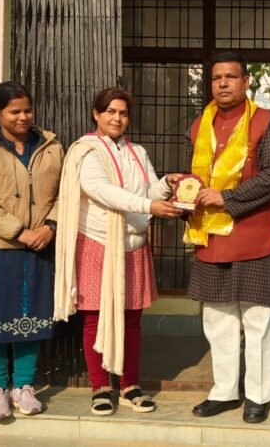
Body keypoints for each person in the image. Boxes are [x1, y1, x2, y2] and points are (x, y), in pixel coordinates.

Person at [53, 88, 183, 416]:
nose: (117, 118)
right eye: (110, 111)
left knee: (132, 319)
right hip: (98, 242)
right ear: (96, 114)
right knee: (95, 317)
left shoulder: (137, 151)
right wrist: (148, 205)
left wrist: (167, 184)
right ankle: (100, 386)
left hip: (133, 243)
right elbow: (102, 191)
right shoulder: (85, 151)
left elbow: (150, 188)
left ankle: (129, 386)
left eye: (123, 113)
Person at [184, 52, 270, 424]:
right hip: (211, 236)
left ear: (246, 82)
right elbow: (198, 177)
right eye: (217, 78)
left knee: (256, 322)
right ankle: (225, 391)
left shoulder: (265, 122)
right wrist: (183, 190)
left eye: (230, 77)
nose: (223, 83)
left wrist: (227, 197)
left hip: (254, 233)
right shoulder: (199, 124)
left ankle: (258, 396)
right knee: (217, 320)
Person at [0, 81, 63, 420]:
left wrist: (50, 226)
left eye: (27, 110)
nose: (23, 117)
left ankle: (24, 386)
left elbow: (65, 192)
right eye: (14, 111)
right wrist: (20, 232)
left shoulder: (50, 146)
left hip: (40, 244)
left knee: (31, 314)